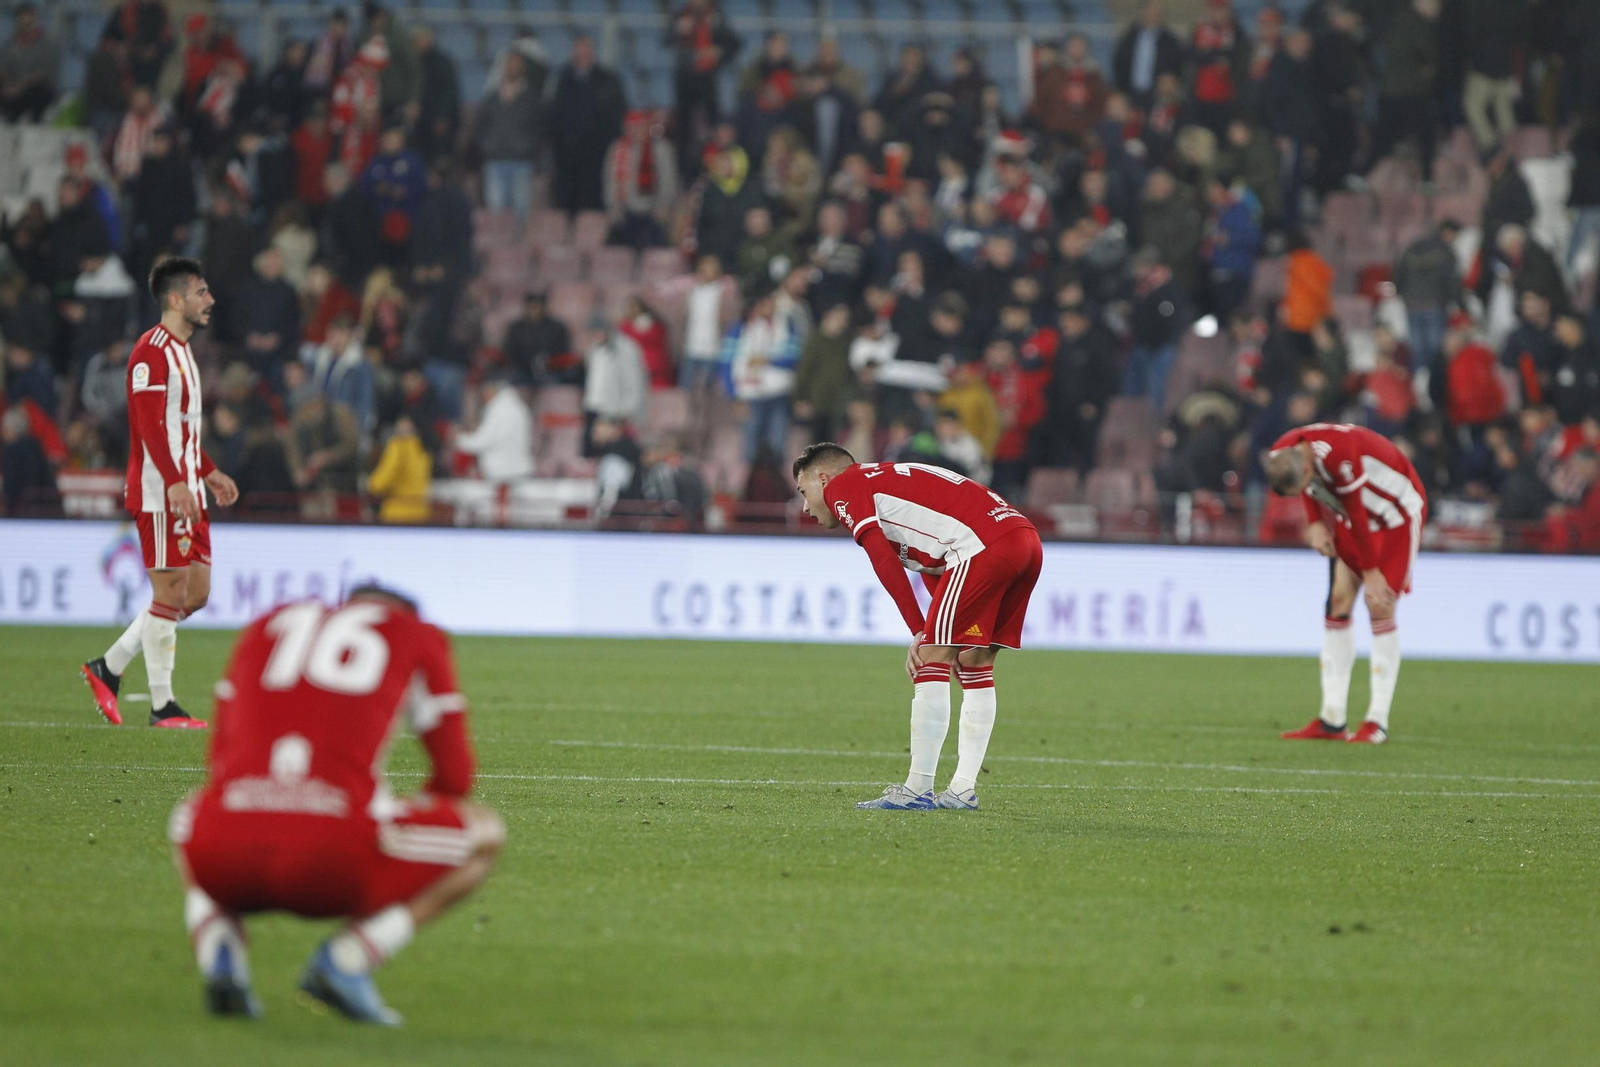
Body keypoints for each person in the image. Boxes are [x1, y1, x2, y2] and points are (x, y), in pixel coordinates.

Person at [167, 586, 504, 1023]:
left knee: (194, 813)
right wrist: (399, 810)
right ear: (406, 616)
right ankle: (348, 960)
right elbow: (455, 778)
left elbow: (219, 761)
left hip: (222, 858)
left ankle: (218, 946)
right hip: (331, 864)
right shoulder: (416, 635)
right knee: (485, 832)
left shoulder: (266, 626)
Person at [792, 443, 1044, 811]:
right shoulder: (884, 481)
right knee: (974, 663)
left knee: (931, 659)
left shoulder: (844, 486)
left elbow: (881, 556)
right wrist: (933, 629)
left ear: (824, 478)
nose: (805, 507)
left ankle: (917, 789)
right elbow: (934, 564)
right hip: (1024, 540)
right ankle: (962, 791)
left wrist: (919, 631)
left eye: (804, 491)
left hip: (981, 547)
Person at [82, 258, 238, 730]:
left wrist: (208, 472)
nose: (210, 300)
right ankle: (162, 705)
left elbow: (179, 431)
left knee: (195, 593)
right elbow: (148, 426)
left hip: (188, 489)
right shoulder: (150, 353)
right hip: (160, 493)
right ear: (175, 299)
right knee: (170, 591)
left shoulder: (183, 351)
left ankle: (108, 666)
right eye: (201, 292)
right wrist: (173, 481)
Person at [1266, 423, 1428, 745]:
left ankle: (1377, 721)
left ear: (1308, 469)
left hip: (1394, 516)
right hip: (1353, 519)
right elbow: (1312, 488)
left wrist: (1372, 573)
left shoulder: (1340, 457)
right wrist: (1315, 523)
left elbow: (1356, 510)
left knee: (1379, 604)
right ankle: (1332, 719)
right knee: (1339, 601)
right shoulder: (1284, 452)